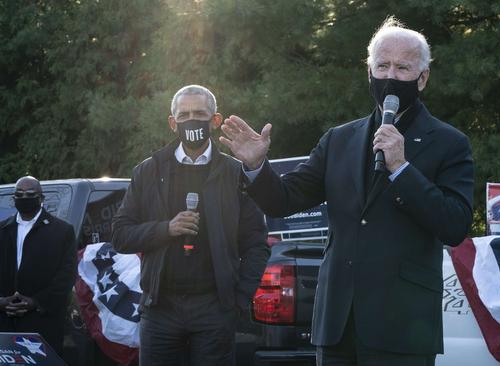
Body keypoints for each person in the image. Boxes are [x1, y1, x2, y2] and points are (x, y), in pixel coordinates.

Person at [220, 17, 474, 366]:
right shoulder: (339, 139)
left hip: (403, 326)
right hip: (337, 324)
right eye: (382, 66)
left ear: (423, 78)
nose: (390, 76)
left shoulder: (449, 143)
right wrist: (255, 167)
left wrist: (401, 168)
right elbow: (283, 199)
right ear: (369, 73)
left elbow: (455, 225)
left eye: (403, 68)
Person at [111, 84, 270, 365]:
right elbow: (121, 235)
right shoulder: (149, 171)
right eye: (183, 115)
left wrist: (238, 299)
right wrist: (166, 229)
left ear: (215, 120)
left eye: (199, 113)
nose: (191, 120)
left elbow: (256, 242)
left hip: (214, 308)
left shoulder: (235, 174)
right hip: (160, 308)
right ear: (173, 124)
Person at [0, 176, 77, 356]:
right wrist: (1, 302)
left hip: (43, 325)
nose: (24, 197)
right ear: (13, 199)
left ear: (41, 198)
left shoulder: (62, 231)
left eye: (30, 194)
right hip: (5, 325)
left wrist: (36, 302)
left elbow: (66, 276)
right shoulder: (3, 230)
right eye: (19, 194)